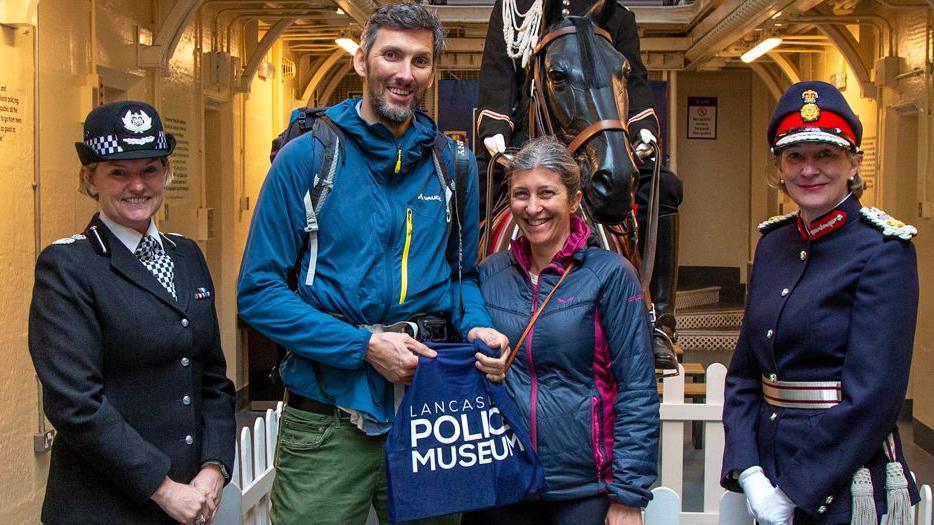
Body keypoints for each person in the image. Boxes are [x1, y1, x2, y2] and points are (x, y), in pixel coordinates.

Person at [236, 4, 509, 524]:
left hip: (430, 416)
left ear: (433, 70)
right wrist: (363, 347)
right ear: (362, 60)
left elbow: (462, 278)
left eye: (421, 61)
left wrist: (478, 328)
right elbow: (258, 293)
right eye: (391, 55)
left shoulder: (452, 166)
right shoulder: (307, 159)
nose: (405, 74)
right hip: (327, 423)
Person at [720, 81, 920, 525]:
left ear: (854, 163)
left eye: (825, 155)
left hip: (847, 481)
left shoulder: (883, 250)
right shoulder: (773, 245)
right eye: (795, 156)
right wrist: (749, 470)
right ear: (779, 167)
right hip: (769, 470)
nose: (809, 169)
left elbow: (875, 397)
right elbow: (744, 375)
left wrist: (793, 491)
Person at [28, 101, 236, 525]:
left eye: (150, 170)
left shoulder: (187, 255)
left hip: (189, 501)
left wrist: (214, 467)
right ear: (90, 179)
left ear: (167, 174)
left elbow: (212, 377)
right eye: (118, 172)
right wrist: (161, 488)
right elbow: (75, 403)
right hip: (105, 507)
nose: (137, 185)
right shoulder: (68, 267)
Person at [477, 0, 682, 369]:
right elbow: (497, 72)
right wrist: (495, 126)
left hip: (597, 135)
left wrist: (642, 125)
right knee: (472, 185)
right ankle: (461, 301)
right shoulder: (515, 8)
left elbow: (631, 79)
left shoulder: (616, 15)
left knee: (662, 186)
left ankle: (659, 318)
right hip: (531, 135)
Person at [467, 136, 659, 525]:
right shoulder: (489, 274)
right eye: (521, 194)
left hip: (585, 490)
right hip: (503, 483)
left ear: (573, 201)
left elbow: (637, 390)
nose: (533, 207)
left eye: (546, 193)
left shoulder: (610, 275)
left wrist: (628, 495)